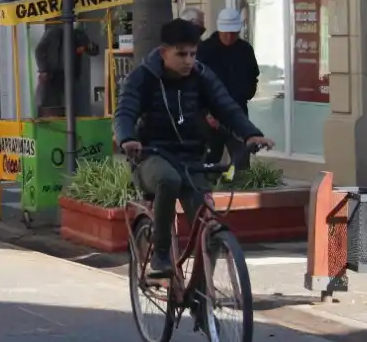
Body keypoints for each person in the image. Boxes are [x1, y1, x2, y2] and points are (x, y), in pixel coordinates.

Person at [114, 19, 273, 278]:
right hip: (151, 156)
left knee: (208, 227)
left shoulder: (202, 76)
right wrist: (127, 138)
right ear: (164, 52)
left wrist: (251, 134)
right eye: (181, 54)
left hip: (191, 159)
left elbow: (227, 107)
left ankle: (201, 292)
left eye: (192, 53)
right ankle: (161, 254)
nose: (188, 60)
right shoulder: (142, 77)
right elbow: (125, 112)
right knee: (168, 179)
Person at [196, 7, 260, 166]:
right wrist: (206, 113)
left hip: (237, 111)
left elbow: (253, 76)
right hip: (210, 115)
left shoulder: (245, 50)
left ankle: (237, 180)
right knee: (209, 158)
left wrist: (246, 94)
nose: (230, 37)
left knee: (241, 158)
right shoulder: (205, 50)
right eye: (226, 33)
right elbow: (196, 83)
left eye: (234, 33)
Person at [34, 25, 98, 117]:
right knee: (48, 103)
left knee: (70, 106)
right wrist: (43, 69)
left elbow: (93, 51)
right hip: (52, 74)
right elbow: (39, 50)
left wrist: (88, 47)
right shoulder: (53, 32)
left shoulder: (78, 35)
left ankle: (67, 121)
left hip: (69, 75)